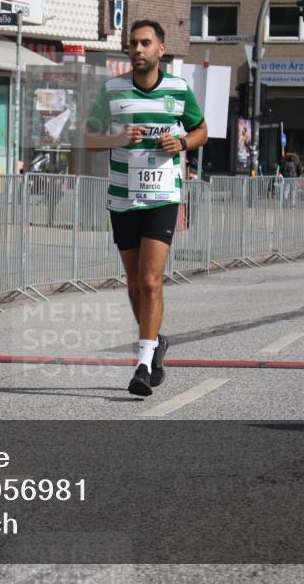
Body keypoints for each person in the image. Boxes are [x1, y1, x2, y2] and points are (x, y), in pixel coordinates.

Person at [84, 20, 208, 396]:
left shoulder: (178, 89)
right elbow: (87, 137)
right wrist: (116, 138)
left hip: (162, 197)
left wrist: (182, 144)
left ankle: (142, 364)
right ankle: (155, 342)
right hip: (123, 198)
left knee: (152, 281)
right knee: (136, 284)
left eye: (145, 43)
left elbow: (201, 130)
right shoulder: (112, 90)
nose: (137, 49)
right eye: (133, 43)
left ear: (160, 49)